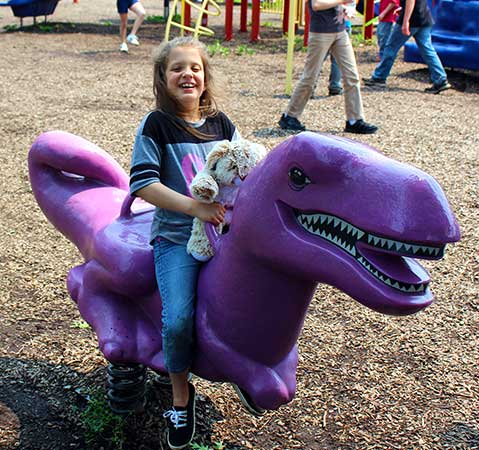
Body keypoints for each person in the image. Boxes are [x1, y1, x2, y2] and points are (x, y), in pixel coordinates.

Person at [129, 37, 240, 449]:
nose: (187, 74)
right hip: (177, 238)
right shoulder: (156, 125)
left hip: (226, 237)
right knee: (177, 319)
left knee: (253, 301)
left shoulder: (223, 125)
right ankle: (181, 397)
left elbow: (243, 171)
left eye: (194, 67)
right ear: (163, 78)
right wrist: (195, 209)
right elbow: (143, 184)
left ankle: (244, 370)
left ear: (205, 76)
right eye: (177, 68)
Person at [279, 0, 378, 134]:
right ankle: (289, 116)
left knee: (352, 76)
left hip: (340, 31)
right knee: (310, 77)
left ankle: (354, 120)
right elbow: (316, 5)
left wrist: (346, 8)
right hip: (320, 34)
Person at [363, 0, 451, 93]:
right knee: (427, 50)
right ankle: (440, 79)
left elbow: (410, 1)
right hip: (424, 17)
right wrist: (403, 8)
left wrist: (406, 22)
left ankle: (379, 77)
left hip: (412, 20)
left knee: (391, 47)